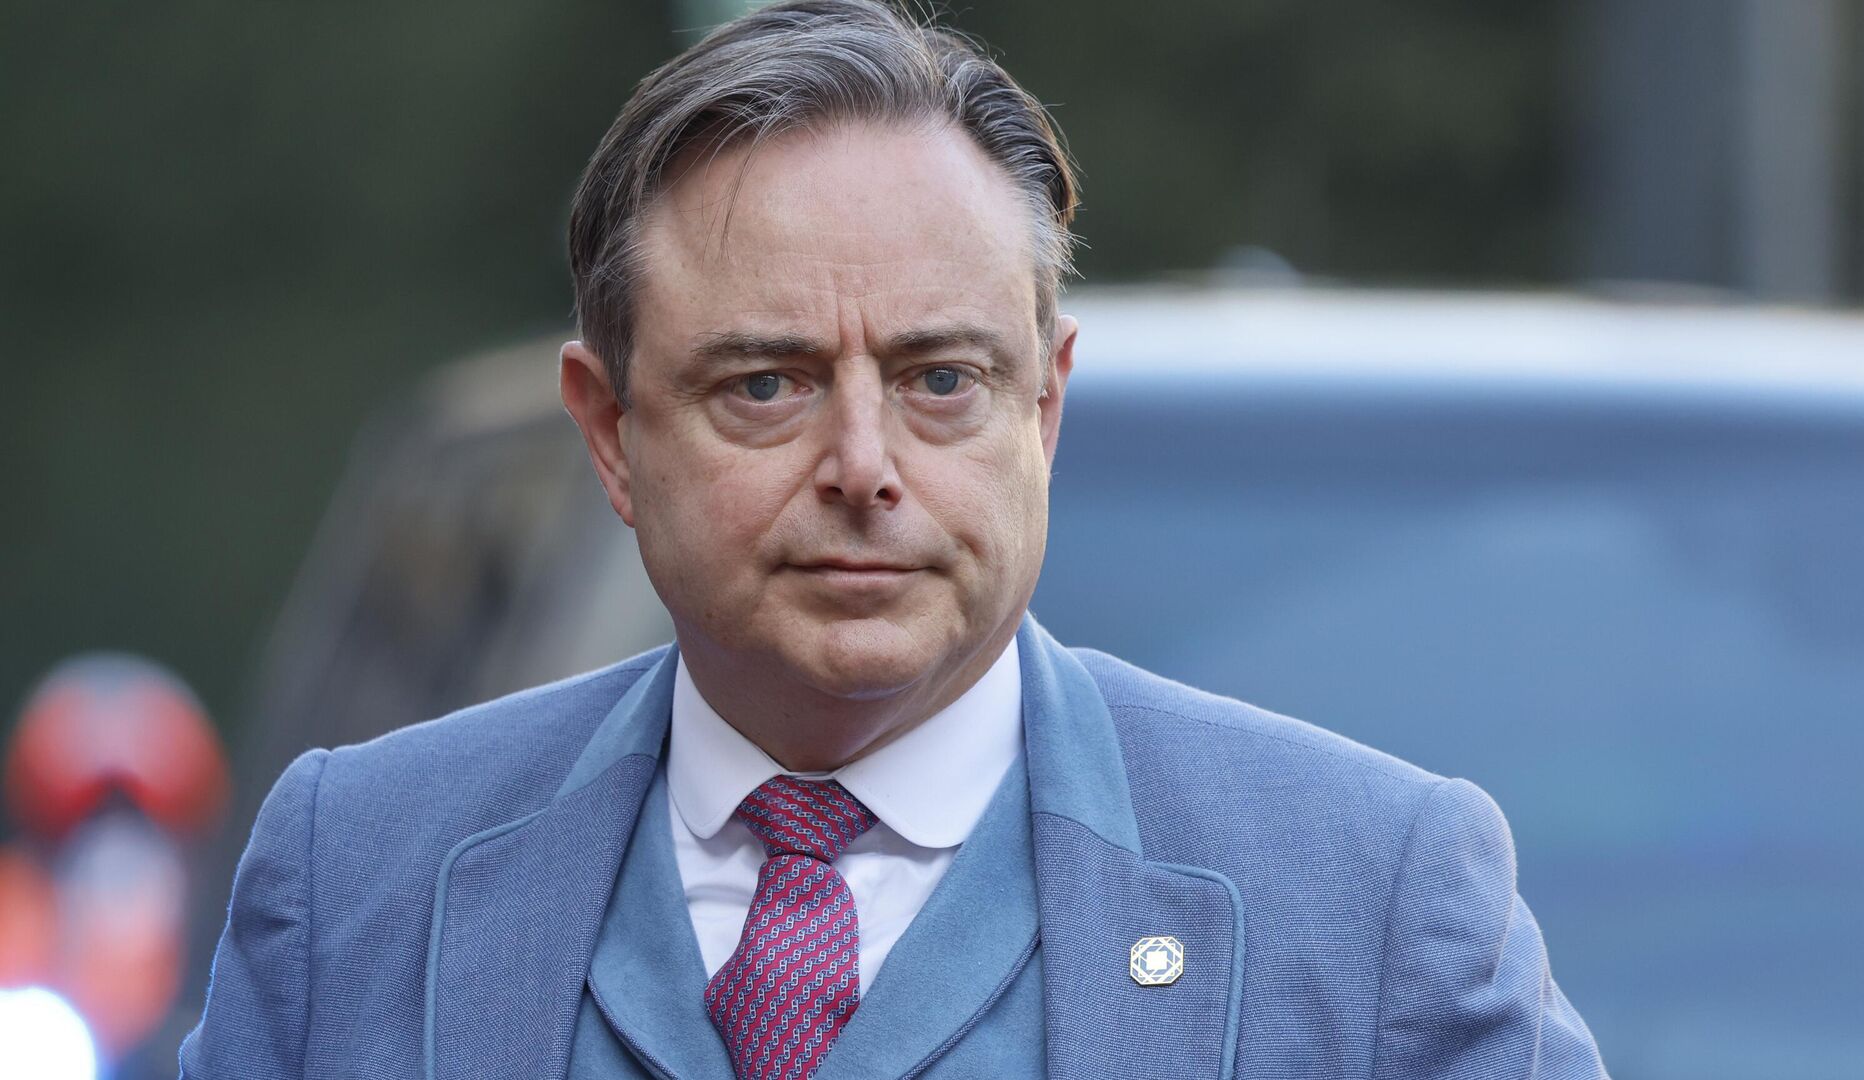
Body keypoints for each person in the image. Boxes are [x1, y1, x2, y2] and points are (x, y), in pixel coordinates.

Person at [181, 1, 1608, 1077]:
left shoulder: (1364, 909)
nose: (863, 467)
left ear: (1043, 406)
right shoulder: (357, 883)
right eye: (766, 386)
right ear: (610, 432)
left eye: (941, 380)